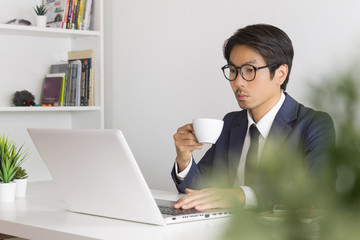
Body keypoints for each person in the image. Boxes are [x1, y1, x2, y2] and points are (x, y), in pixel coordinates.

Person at [171, 24, 335, 211]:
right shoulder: (231, 123)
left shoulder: (314, 124)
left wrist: (241, 195)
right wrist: (184, 160)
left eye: (250, 70)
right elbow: (198, 190)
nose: (238, 82)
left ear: (280, 74)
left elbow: (318, 191)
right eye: (233, 70)